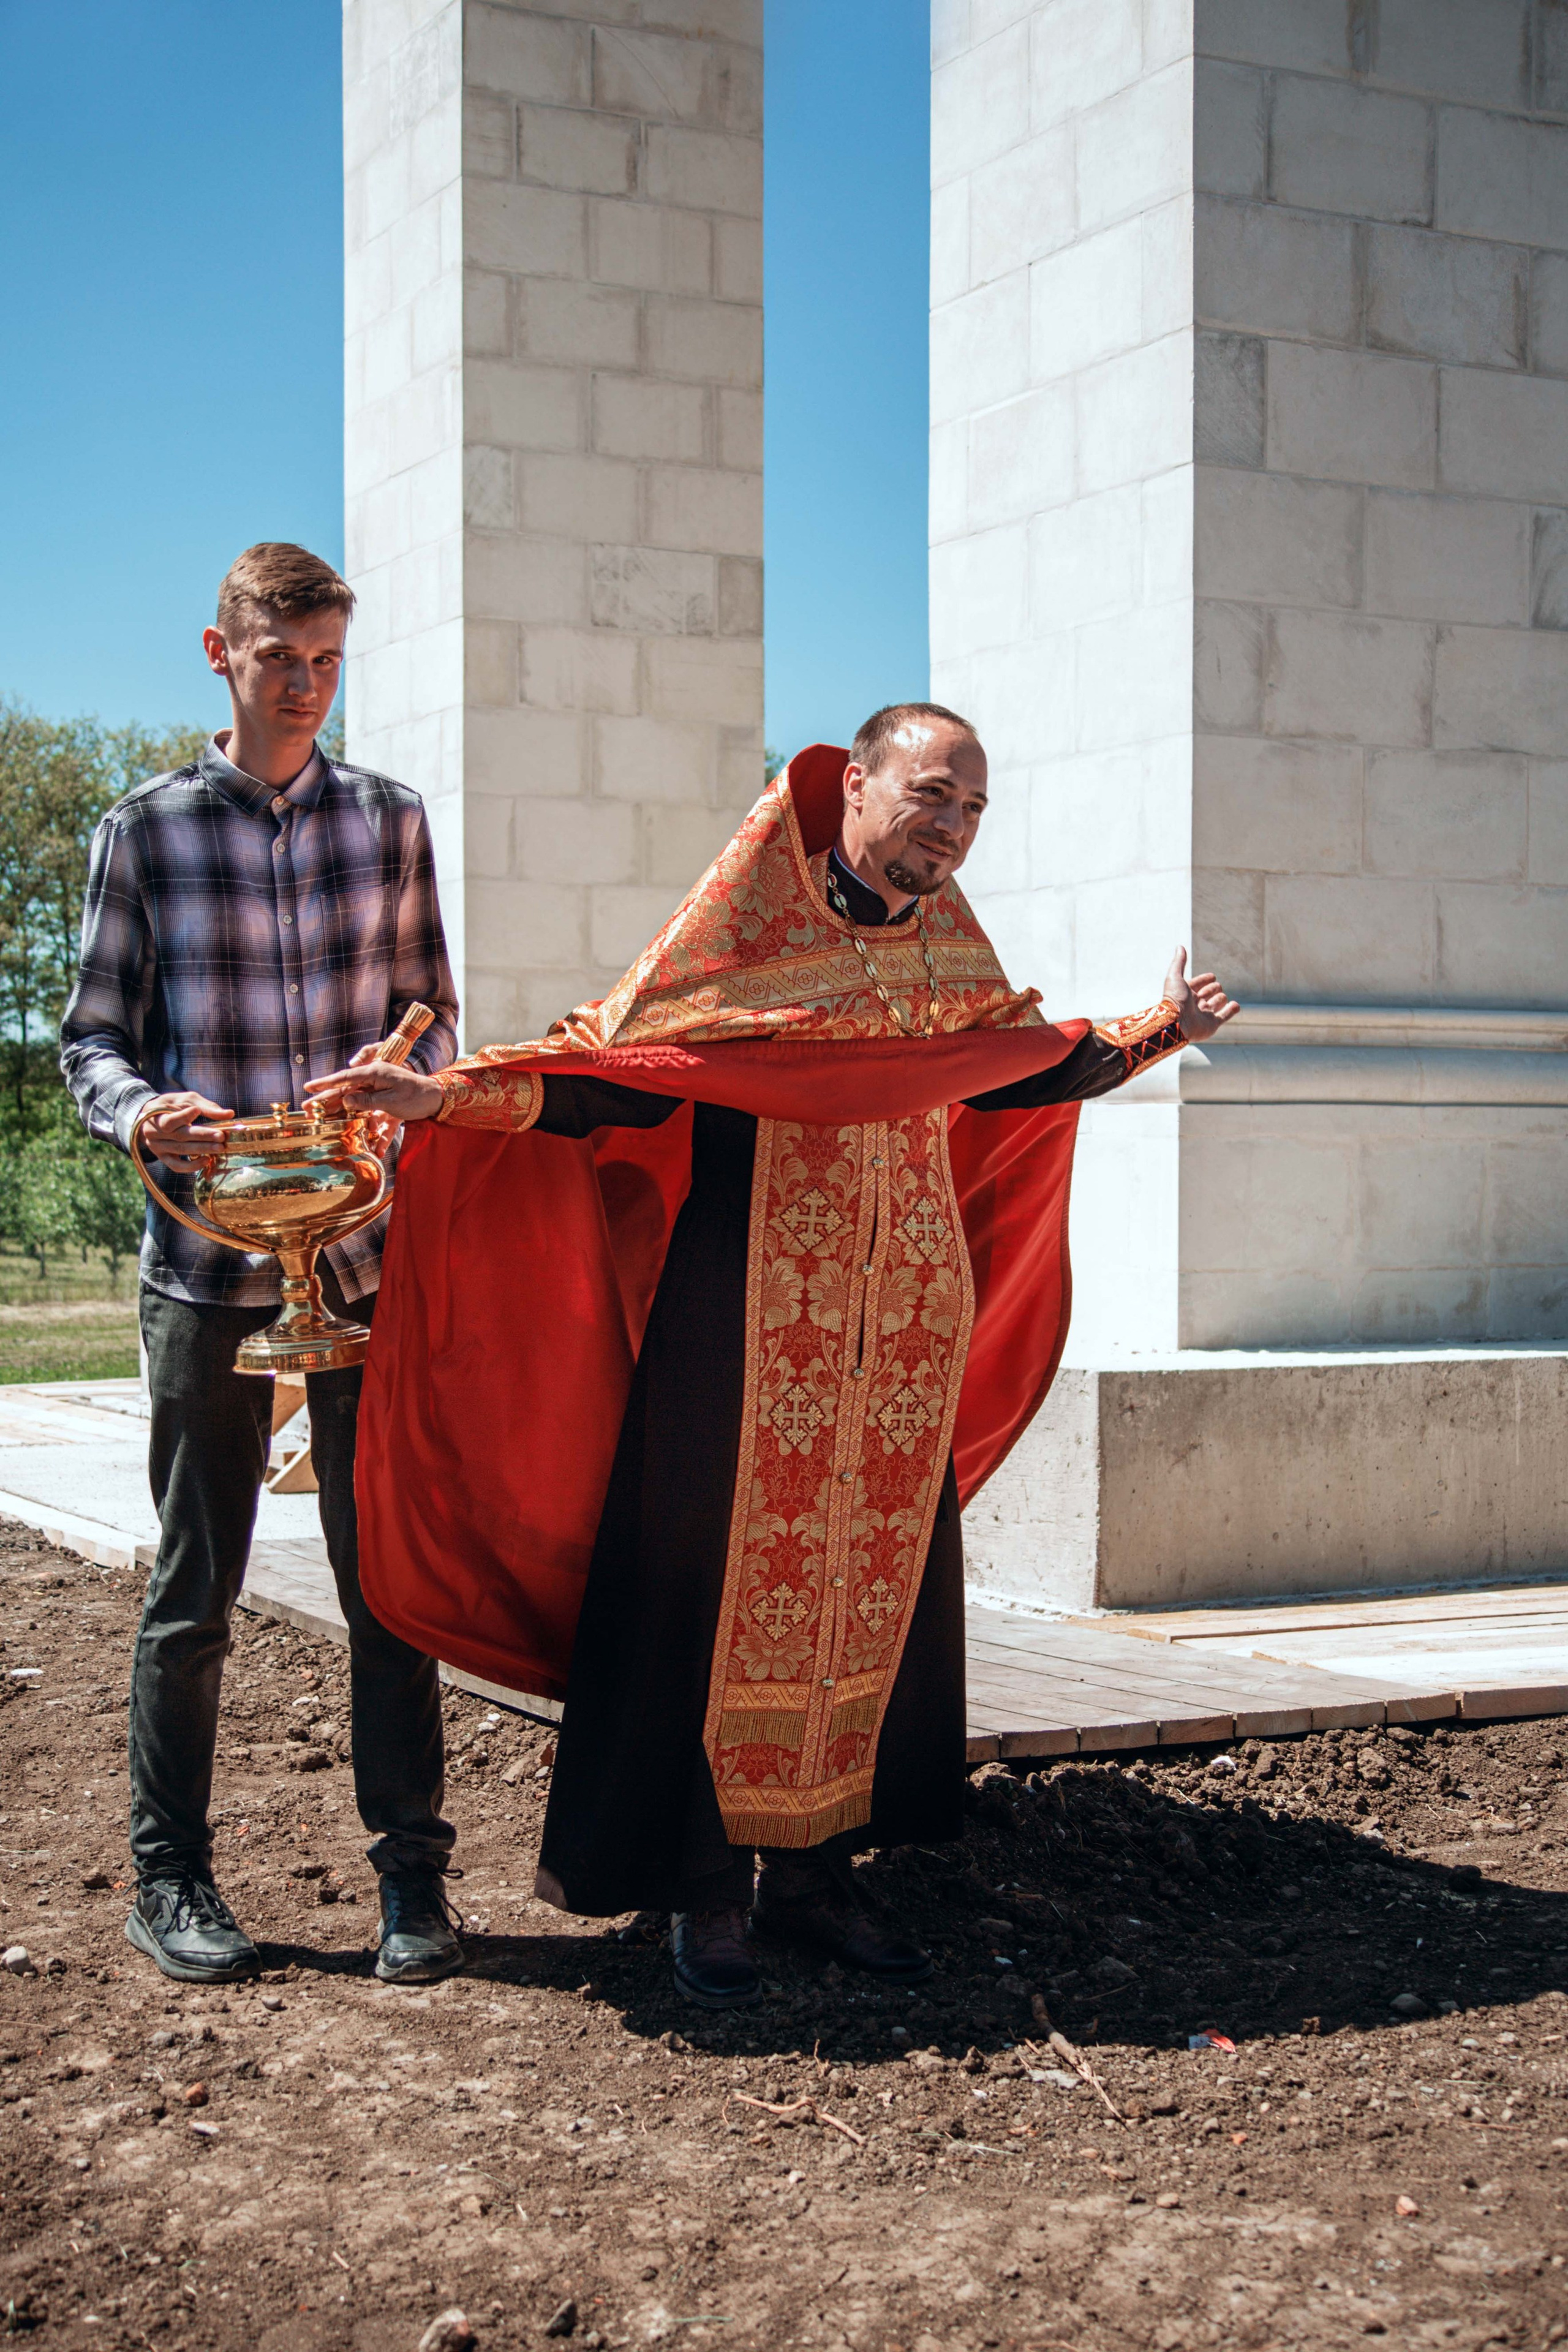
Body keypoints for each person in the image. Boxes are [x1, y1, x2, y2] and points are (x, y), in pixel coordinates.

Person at [312, 705, 1238, 2010]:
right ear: (851, 786)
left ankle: (812, 1871)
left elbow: (1011, 1068)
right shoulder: (743, 940)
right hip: (742, 1315)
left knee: (869, 1587)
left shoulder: (946, 951)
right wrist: (446, 1098)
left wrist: (1157, 1032)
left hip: (905, 1323)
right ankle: (701, 1890)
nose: (953, 830)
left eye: (972, 809)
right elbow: (626, 1074)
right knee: (709, 1587)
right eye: (931, 798)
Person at [60, 541, 464, 1987]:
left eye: (326, 662)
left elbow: (435, 1018)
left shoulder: (392, 821)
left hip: (364, 1263)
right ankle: (169, 1878)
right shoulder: (143, 829)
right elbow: (88, 1039)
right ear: (220, 654)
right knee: (193, 1591)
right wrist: (139, 1110)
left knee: (389, 1588)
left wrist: (412, 1078)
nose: (303, 685)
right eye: (279, 658)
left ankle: (412, 1882)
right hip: (203, 1266)